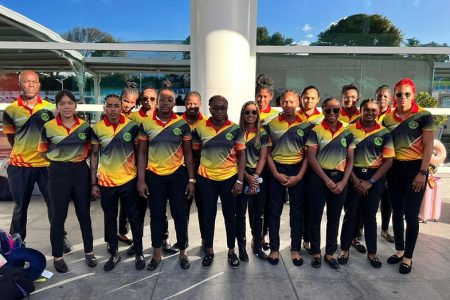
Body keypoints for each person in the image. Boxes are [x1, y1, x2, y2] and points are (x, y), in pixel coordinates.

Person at [2, 70, 71, 253]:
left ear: (39, 85)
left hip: (47, 165)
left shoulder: (50, 108)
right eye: (26, 82)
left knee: (54, 205)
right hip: (20, 166)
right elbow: (11, 139)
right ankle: (16, 244)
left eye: (34, 82)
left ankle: (59, 237)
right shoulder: (10, 111)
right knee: (20, 208)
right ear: (20, 85)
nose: (31, 85)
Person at [137, 85, 195, 270]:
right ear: (157, 101)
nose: (165, 103)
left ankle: (183, 251)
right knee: (156, 216)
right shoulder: (146, 124)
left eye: (169, 100)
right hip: (154, 176)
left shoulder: (182, 125)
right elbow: (142, 154)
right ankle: (156, 252)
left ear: (174, 103)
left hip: (177, 175)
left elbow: (188, 154)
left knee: (180, 214)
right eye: (162, 99)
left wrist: (191, 180)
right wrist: (141, 179)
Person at [38, 90, 96, 273]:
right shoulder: (48, 127)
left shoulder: (86, 127)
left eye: (70, 102)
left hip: (80, 172)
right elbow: (42, 151)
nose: (66, 106)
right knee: (58, 216)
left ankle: (89, 252)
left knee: (84, 215)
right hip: (58, 173)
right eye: (62, 103)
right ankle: (58, 256)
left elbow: (92, 150)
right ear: (57, 106)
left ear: (75, 105)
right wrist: (57, 161)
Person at [383, 78, 435, 274]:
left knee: (411, 215)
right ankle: (399, 250)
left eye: (406, 94)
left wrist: (422, 172)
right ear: (394, 97)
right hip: (394, 170)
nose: (402, 97)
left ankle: (408, 257)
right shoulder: (387, 119)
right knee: (397, 211)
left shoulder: (424, 116)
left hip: (416, 170)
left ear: (413, 95)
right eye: (399, 94)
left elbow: (429, 147)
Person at [90, 94, 145, 272]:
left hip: (129, 180)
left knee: (135, 218)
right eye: (109, 106)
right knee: (110, 219)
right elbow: (94, 156)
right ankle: (114, 253)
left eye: (116, 106)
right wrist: (93, 183)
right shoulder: (96, 128)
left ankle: (139, 252)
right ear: (104, 108)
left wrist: (140, 179)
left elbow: (140, 153)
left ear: (121, 107)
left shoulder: (133, 126)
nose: (113, 109)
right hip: (106, 182)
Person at [337, 99, 394, 268]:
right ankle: (344, 249)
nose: (370, 113)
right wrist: (354, 180)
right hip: (352, 175)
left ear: (378, 112)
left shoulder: (385, 133)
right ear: (360, 110)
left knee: (370, 217)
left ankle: (372, 253)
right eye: (366, 109)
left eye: (373, 110)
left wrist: (370, 182)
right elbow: (345, 158)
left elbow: (388, 161)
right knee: (350, 214)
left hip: (374, 179)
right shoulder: (349, 130)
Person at [192, 95, 246, 268]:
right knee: (208, 216)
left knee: (230, 216)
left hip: (229, 178)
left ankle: (231, 250)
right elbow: (195, 154)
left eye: (223, 108)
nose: (220, 111)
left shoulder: (235, 129)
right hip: (206, 179)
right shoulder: (200, 129)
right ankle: (209, 250)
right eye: (216, 108)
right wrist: (193, 179)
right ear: (210, 108)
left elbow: (242, 155)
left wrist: (240, 180)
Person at [306, 97, 354, 269]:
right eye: (328, 110)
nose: (332, 113)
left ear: (340, 110)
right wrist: (326, 180)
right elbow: (311, 158)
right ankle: (316, 253)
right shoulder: (316, 131)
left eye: (336, 110)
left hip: (341, 179)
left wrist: (343, 182)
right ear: (323, 110)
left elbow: (350, 160)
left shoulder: (348, 131)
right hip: (319, 179)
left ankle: (330, 253)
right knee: (315, 217)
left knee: (334, 218)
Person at [265, 90, 312, 266]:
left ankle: (295, 249)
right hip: (276, 170)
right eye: (285, 102)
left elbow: (309, 155)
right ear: (280, 103)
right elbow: (266, 153)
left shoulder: (306, 125)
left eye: (292, 102)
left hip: (298, 170)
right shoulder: (271, 124)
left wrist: (299, 176)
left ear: (298, 103)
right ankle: (275, 249)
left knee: (297, 212)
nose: (288, 105)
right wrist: (276, 173)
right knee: (274, 211)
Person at [236, 101, 270, 261]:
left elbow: (263, 157)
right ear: (242, 114)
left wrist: (255, 176)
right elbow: (234, 158)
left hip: (257, 176)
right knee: (240, 214)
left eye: (254, 112)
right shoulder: (236, 132)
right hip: (241, 176)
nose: (250, 115)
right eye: (247, 112)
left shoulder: (262, 133)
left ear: (258, 115)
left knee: (258, 214)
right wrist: (246, 177)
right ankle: (241, 248)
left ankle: (257, 246)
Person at [297, 85, 323, 255]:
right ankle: (298, 240)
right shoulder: (294, 115)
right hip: (297, 166)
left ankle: (309, 240)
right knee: (298, 206)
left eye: (312, 98)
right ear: (301, 98)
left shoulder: (323, 118)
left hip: (315, 167)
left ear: (318, 99)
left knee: (312, 208)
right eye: (306, 97)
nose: (309, 100)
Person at [254, 74, 278, 251]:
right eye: (259, 96)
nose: (262, 100)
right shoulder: (249, 113)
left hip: (272, 167)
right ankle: (256, 237)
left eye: (265, 96)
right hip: (255, 167)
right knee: (256, 206)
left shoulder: (276, 117)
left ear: (270, 97)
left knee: (271, 205)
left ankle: (264, 236)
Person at [180, 91, 206, 251]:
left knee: (203, 208)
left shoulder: (207, 124)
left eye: (195, 104)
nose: (192, 106)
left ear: (200, 104)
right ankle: (183, 241)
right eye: (189, 103)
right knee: (183, 208)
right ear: (185, 104)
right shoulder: (177, 122)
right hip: (182, 171)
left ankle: (205, 239)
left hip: (202, 171)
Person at [117, 82, 140, 247]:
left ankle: (123, 232)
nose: (129, 105)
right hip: (112, 168)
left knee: (128, 204)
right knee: (113, 207)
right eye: (126, 101)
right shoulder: (110, 115)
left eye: (133, 102)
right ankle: (115, 236)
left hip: (131, 168)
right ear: (120, 99)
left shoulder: (136, 119)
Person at [375, 85, 395, 243]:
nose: (382, 99)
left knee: (387, 198)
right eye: (379, 96)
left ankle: (384, 229)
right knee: (369, 198)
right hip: (371, 162)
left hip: (389, 162)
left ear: (390, 99)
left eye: (385, 96)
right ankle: (360, 229)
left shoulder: (393, 116)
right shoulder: (370, 112)